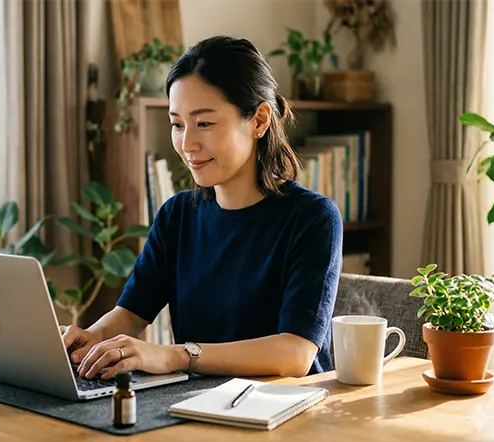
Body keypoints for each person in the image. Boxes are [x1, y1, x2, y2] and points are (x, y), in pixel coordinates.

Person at [61, 35, 343, 381]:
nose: (187, 144)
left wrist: (176, 355)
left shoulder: (313, 219)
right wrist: (91, 337)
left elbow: (295, 354)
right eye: (177, 124)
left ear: (258, 121)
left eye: (204, 123)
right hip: (194, 405)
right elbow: (130, 314)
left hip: (283, 411)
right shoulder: (177, 215)